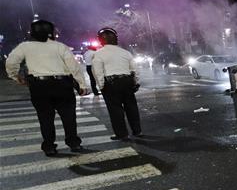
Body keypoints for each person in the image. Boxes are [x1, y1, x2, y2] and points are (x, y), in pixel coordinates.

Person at [4, 19, 85, 156]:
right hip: (62, 84)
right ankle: (74, 143)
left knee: (45, 118)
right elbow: (73, 67)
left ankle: (49, 146)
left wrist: (16, 76)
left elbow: (11, 62)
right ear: (51, 32)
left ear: (32, 33)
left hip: (39, 86)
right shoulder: (60, 46)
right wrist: (82, 85)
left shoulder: (25, 46)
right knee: (69, 117)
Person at [92, 27, 142, 140]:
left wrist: (101, 86)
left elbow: (98, 72)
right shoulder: (125, 53)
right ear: (116, 39)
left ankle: (122, 134)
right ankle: (137, 131)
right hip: (127, 81)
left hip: (111, 83)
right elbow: (135, 69)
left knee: (115, 110)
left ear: (101, 40)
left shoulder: (99, 54)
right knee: (131, 107)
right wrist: (135, 82)